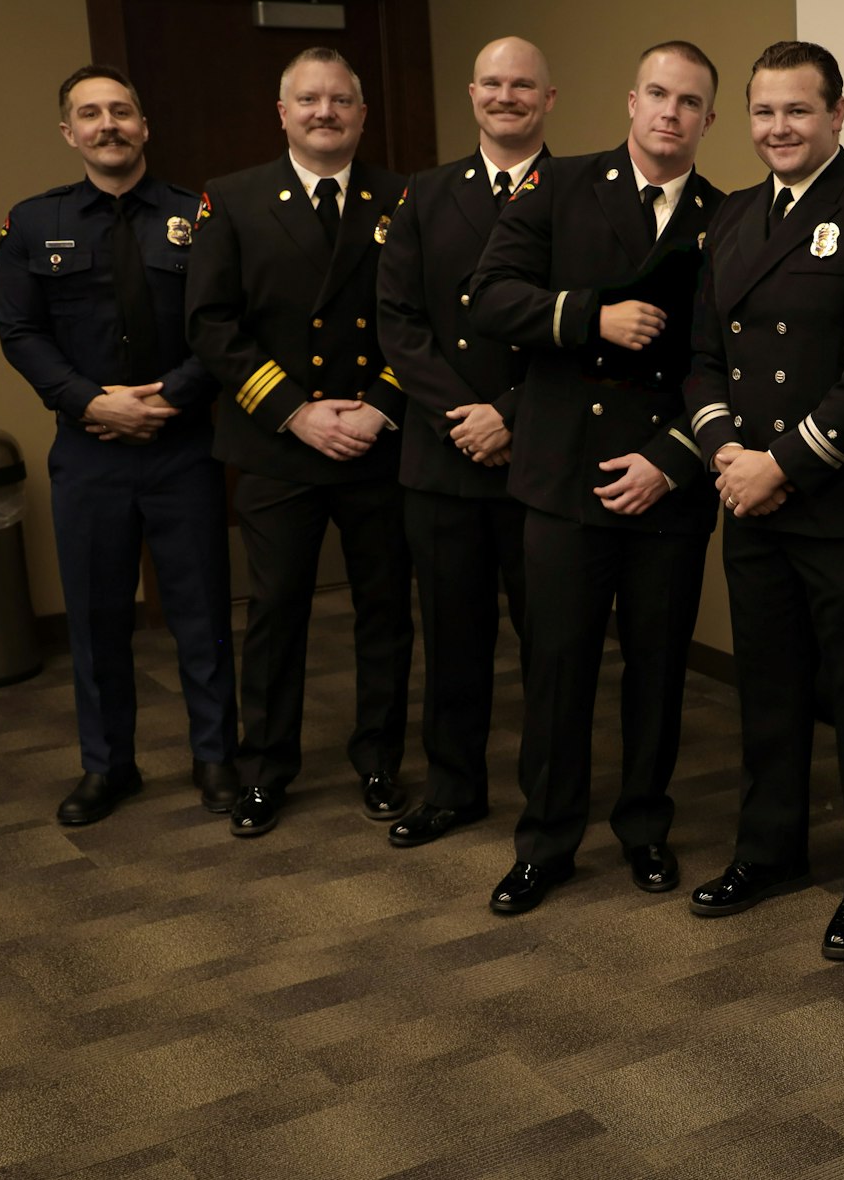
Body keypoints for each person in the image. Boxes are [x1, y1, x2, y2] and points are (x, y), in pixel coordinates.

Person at [682, 40, 844, 957]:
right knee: (770, 690)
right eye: (763, 112)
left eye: (797, 111)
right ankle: (769, 849)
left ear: (836, 114)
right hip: (748, 500)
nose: (778, 128)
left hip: (843, 504)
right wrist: (723, 452)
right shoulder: (734, 218)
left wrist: (778, 464)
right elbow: (704, 358)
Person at [468, 41, 725, 913]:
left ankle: (645, 827)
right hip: (564, 481)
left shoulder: (725, 220)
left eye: (689, 102)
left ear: (707, 120)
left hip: (668, 480)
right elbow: (490, 294)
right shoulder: (561, 185)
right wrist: (589, 317)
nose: (670, 113)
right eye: (657, 93)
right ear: (630, 100)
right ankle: (545, 842)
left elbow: (728, 360)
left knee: (657, 672)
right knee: (559, 671)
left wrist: (673, 460)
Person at [0, 65, 238, 825]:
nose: (108, 125)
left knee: (201, 612)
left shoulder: (199, 214)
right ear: (70, 133)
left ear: (144, 126)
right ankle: (109, 766)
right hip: (90, 449)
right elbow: (21, 331)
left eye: (122, 111)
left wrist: (170, 397)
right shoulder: (33, 222)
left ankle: (217, 757)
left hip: (181, 444)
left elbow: (225, 319)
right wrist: (89, 400)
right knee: (97, 619)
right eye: (90, 114)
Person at [186, 47, 411, 837]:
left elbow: (417, 323)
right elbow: (212, 325)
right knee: (276, 611)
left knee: (385, 609)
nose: (326, 112)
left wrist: (382, 406)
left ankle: (379, 758)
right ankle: (265, 769)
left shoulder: (402, 197)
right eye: (309, 100)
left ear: (361, 112)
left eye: (341, 100)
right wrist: (295, 411)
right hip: (279, 444)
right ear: (283, 114)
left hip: (376, 443)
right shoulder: (234, 199)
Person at [375, 37, 553, 851]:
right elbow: (400, 325)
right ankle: (453, 789)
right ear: (472, 94)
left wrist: (509, 412)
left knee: (552, 643)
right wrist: (468, 415)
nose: (506, 95)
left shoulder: (582, 191)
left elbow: (584, 324)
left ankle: (552, 801)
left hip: (541, 454)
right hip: (444, 457)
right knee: (452, 637)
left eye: (523, 84)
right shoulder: (423, 194)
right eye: (493, 83)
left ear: (548, 99)